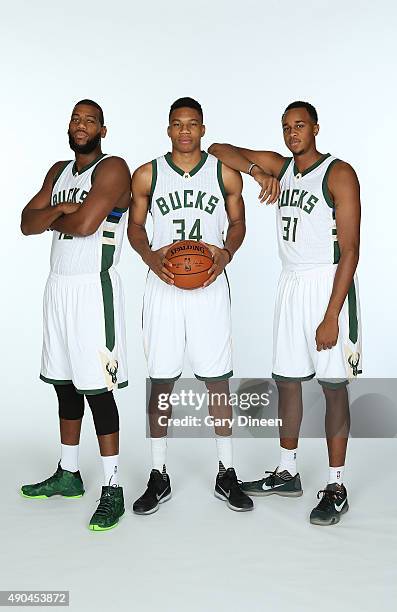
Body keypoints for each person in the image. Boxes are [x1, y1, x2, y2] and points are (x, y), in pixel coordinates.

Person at [209, 101, 362, 525]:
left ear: (316, 128)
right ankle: (288, 472)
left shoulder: (338, 173)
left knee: (333, 387)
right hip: (291, 282)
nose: (292, 133)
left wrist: (332, 314)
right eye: (286, 127)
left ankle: (336, 486)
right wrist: (258, 172)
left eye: (300, 126)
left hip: (328, 283)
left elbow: (350, 250)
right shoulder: (281, 167)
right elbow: (220, 149)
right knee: (288, 383)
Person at [128, 97, 253, 514]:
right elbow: (135, 226)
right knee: (161, 381)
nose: (185, 131)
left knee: (217, 381)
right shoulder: (148, 173)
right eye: (178, 124)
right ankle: (158, 474)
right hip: (163, 286)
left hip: (210, 285)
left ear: (202, 129)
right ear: (168, 129)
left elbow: (237, 224)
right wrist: (149, 257)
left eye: (192, 124)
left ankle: (226, 472)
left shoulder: (223, 173)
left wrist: (226, 254)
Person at [20, 99, 131, 531]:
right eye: (76, 119)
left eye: (90, 120)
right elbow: (26, 222)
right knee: (64, 385)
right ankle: (69, 473)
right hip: (58, 285)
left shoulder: (113, 168)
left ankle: (113, 488)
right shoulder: (58, 171)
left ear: (103, 129)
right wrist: (62, 211)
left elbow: (86, 225)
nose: (81, 125)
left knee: (97, 390)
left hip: (92, 287)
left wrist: (62, 215)